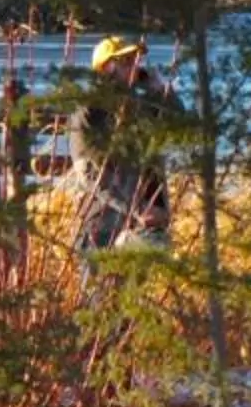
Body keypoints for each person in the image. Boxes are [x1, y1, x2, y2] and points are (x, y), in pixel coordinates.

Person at [70, 35, 175, 252]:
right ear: (106, 68)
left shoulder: (143, 105)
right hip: (102, 227)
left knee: (136, 284)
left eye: (137, 60)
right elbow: (90, 173)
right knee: (101, 284)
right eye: (126, 61)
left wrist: (162, 92)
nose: (135, 66)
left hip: (144, 227)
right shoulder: (89, 110)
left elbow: (182, 130)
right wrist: (139, 209)